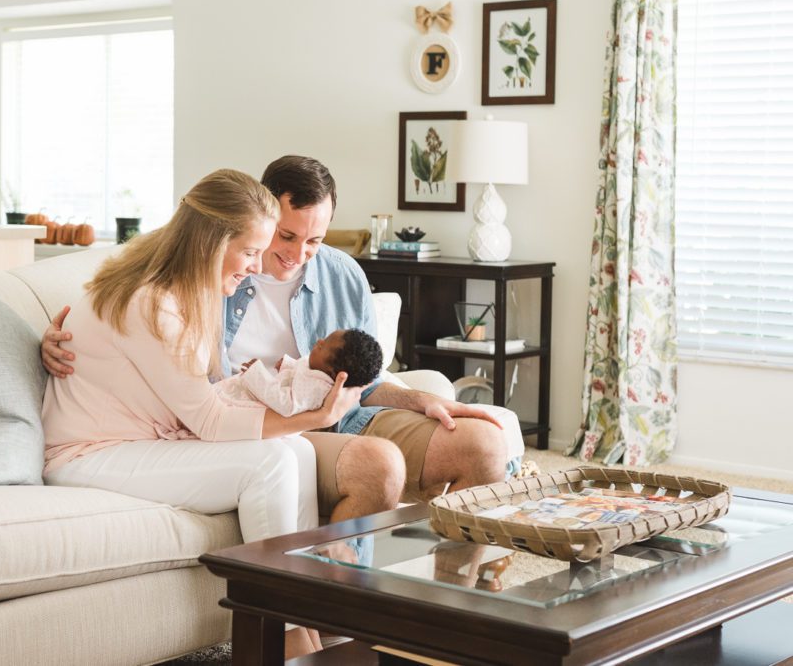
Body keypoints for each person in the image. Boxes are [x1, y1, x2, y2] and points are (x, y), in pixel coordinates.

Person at [43, 155, 506, 525]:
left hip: (336, 416)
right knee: (368, 463)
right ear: (262, 215)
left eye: (315, 241)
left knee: (484, 444)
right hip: (258, 420)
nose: (297, 253)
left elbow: (360, 377)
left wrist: (418, 399)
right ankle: (324, 621)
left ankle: (453, 611)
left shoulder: (342, 274)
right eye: (285, 236)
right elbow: (120, 301)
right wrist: (52, 338)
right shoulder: (203, 274)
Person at [41, 169, 363, 551]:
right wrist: (315, 417)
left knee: (299, 449)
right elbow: (211, 419)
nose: (256, 268)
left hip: (148, 441)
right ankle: (275, 601)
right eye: (249, 252)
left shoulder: (193, 290)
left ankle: (304, 591)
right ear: (209, 243)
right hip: (90, 455)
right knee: (272, 462)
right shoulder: (150, 302)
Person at [218, 328, 383, 417]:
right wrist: (288, 365)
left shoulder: (318, 388)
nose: (319, 341)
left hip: (258, 409)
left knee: (221, 400)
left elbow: (286, 404)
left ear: (332, 371)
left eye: (322, 346)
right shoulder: (317, 370)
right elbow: (301, 373)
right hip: (255, 396)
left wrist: (256, 374)